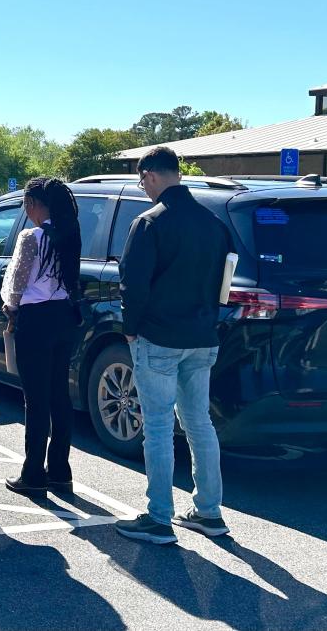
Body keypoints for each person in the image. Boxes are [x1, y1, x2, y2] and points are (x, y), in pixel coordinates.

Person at [115, 146, 233, 545]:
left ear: (149, 175)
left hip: (158, 337)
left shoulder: (150, 223)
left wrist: (130, 329)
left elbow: (134, 284)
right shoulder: (214, 223)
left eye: (140, 180)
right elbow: (223, 284)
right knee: (200, 423)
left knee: (160, 428)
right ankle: (209, 511)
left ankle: (159, 517)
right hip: (202, 337)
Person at [0, 177, 84, 499]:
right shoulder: (69, 233)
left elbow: (17, 284)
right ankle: (60, 471)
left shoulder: (31, 237)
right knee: (59, 394)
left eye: (25, 203)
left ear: (33, 204)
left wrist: (10, 307)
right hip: (64, 316)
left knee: (35, 399)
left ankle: (33, 472)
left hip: (35, 320)